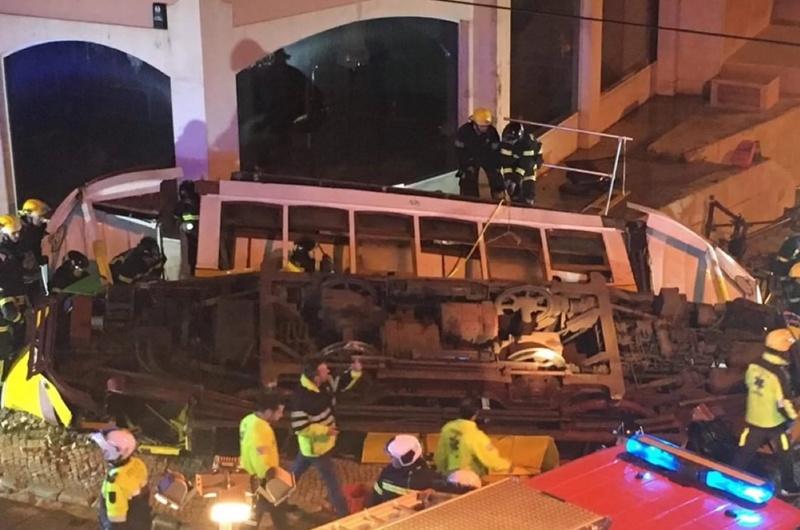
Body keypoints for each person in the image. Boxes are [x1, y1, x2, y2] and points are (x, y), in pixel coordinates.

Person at [290, 355, 362, 517]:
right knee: (332, 482)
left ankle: (272, 499)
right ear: (316, 377)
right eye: (324, 370)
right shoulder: (301, 398)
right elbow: (300, 427)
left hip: (317, 446)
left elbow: (339, 384)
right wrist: (326, 431)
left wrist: (355, 372)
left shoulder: (324, 383)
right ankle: (344, 515)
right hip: (316, 448)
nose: (328, 371)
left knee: (292, 476)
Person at [732, 328, 800, 496]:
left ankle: (730, 478)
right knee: (785, 453)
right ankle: (788, 486)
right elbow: (783, 403)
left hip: (754, 418)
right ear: (783, 351)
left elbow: (748, 384)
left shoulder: (754, 365)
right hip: (773, 422)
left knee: (744, 452)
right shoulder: (779, 374)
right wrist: (794, 417)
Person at [368, 434, 471, 507]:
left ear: (404, 460)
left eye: (392, 457)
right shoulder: (387, 473)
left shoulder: (431, 478)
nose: (390, 460)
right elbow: (376, 498)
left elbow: (465, 495)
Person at [240, 392, 290, 530]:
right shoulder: (262, 429)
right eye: (279, 411)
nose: (281, 415)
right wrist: (271, 478)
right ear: (268, 412)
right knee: (274, 511)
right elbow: (260, 456)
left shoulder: (247, 420)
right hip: (265, 479)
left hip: (251, 475)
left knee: (256, 514)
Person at [90, 428, 152, 530]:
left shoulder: (114, 483)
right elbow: (145, 491)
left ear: (119, 452)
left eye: (107, 450)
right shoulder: (137, 464)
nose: (104, 452)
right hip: (142, 517)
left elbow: (115, 521)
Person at [434, 398, 510, 480]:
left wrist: (443, 472)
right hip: (469, 478)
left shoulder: (447, 430)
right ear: (475, 414)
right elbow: (490, 460)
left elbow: (440, 456)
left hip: (450, 477)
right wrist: (507, 465)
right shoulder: (476, 435)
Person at [453, 108, 504, 199]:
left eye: (487, 126)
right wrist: (465, 165)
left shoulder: (492, 132)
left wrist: (497, 166)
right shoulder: (464, 132)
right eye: (482, 126)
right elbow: (459, 151)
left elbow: (496, 151)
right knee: (468, 179)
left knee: (496, 176)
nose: (485, 128)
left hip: (487, 157)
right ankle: (471, 200)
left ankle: (499, 198)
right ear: (475, 124)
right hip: (470, 158)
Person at [0, 215, 26, 359]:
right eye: (13, 233)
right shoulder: (2, 254)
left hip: (15, 299)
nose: (17, 236)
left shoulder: (14, 251)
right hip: (6, 304)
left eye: (18, 232)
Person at [499, 122, 544, 206]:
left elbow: (526, 163)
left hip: (531, 160)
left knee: (528, 177)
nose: (510, 143)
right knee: (513, 187)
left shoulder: (528, 143)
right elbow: (506, 162)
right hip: (517, 159)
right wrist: (508, 178)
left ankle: (529, 198)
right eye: (508, 140)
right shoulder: (506, 143)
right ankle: (515, 197)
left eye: (512, 140)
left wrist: (516, 179)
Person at [17, 199, 50, 303]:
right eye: (40, 216)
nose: (42, 219)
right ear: (29, 216)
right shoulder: (21, 234)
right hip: (26, 279)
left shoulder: (36, 229)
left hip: (35, 274)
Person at [174, 180, 200, 276]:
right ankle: (192, 270)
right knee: (191, 252)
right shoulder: (181, 204)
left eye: (184, 191)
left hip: (200, 229)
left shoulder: (199, 202)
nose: (183, 194)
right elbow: (176, 215)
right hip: (189, 232)